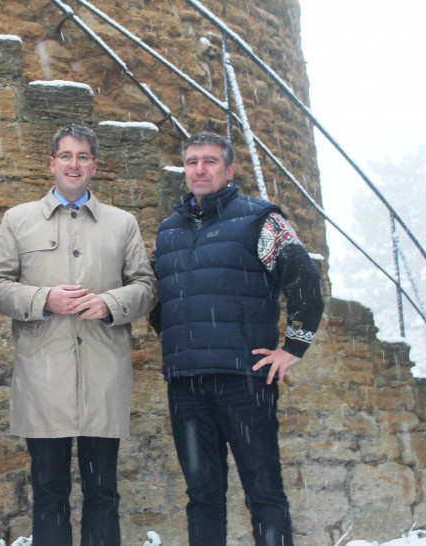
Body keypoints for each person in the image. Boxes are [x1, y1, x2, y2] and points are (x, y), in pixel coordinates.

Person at [0, 124, 158, 546]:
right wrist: (45, 299)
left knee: (102, 492)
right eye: (66, 155)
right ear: (52, 163)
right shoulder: (18, 220)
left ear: (94, 165)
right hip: (44, 378)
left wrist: (109, 304)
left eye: (82, 156)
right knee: (48, 493)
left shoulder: (122, 223)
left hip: (104, 373)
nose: (73, 164)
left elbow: (147, 287)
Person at [150, 132, 324, 546]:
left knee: (263, 492)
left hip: (244, 381)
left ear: (229, 170)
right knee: (201, 495)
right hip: (187, 385)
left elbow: (305, 280)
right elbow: (162, 302)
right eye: (192, 162)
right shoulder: (169, 230)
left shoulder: (259, 219)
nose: (200, 169)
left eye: (210, 161)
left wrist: (293, 348)